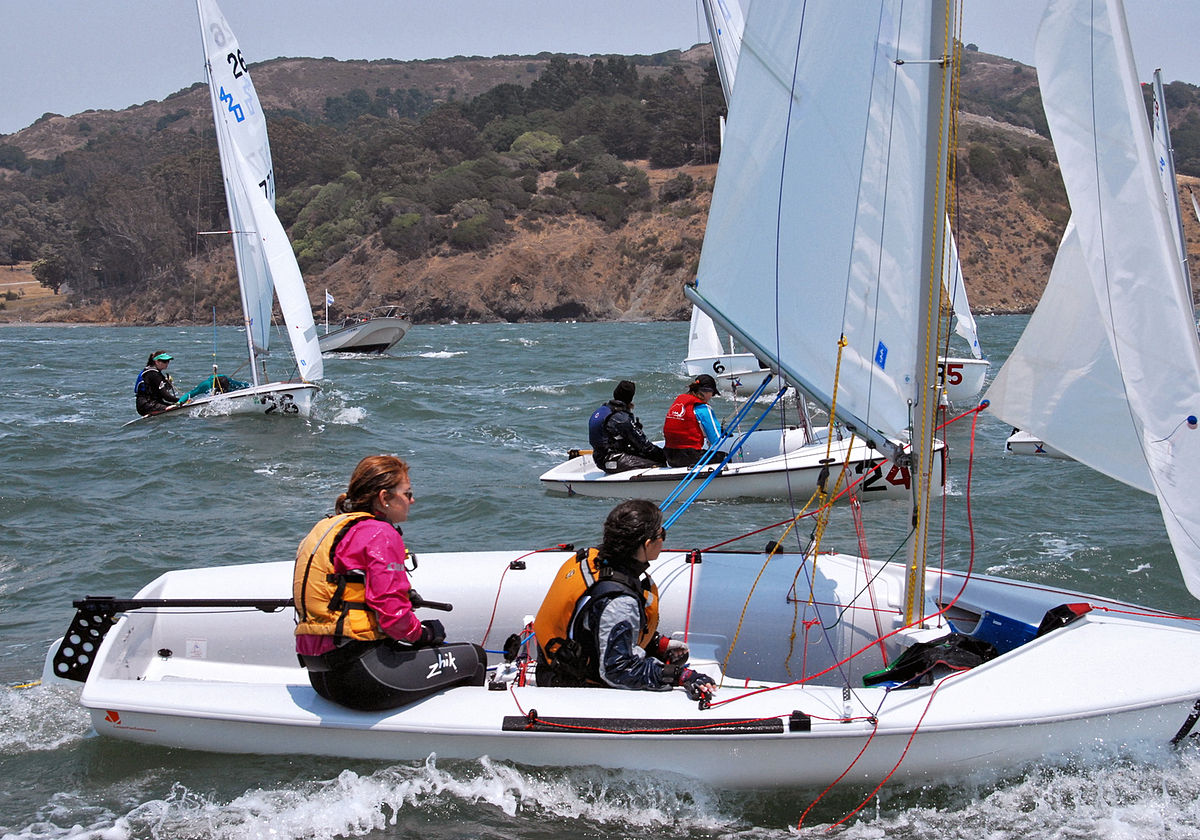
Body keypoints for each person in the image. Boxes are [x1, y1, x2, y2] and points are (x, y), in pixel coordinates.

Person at [294, 454, 486, 711]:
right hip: (363, 678)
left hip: (321, 675)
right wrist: (425, 635)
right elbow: (394, 618)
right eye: (407, 494)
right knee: (474, 657)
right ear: (385, 498)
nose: (412, 500)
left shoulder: (327, 527)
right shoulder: (380, 533)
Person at [532, 499, 716, 701]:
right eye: (661, 534)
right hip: (576, 688)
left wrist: (656, 644)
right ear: (647, 544)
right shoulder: (619, 601)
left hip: (560, 665)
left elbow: (594, 626)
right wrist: (678, 675)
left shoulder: (594, 562)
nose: (663, 538)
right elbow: (617, 671)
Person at [588, 380, 667, 473]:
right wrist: (665, 456)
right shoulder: (621, 419)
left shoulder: (604, 410)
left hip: (599, 457)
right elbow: (644, 446)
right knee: (659, 464)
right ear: (630, 399)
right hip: (611, 460)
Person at [662, 374, 728, 468]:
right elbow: (715, 439)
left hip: (670, 455)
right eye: (712, 393)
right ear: (707, 392)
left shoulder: (680, 400)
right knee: (726, 457)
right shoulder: (703, 407)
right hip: (689, 456)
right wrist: (720, 431)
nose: (712, 396)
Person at [134, 350, 182, 415]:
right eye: (164, 361)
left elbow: (162, 389)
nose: (167, 363)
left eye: (168, 361)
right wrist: (181, 400)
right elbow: (166, 396)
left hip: (150, 404)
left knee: (175, 405)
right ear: (157, 362)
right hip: (147, 405)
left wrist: (168, 383)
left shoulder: (154, 372)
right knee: (177, 406)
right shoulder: (153, 374)